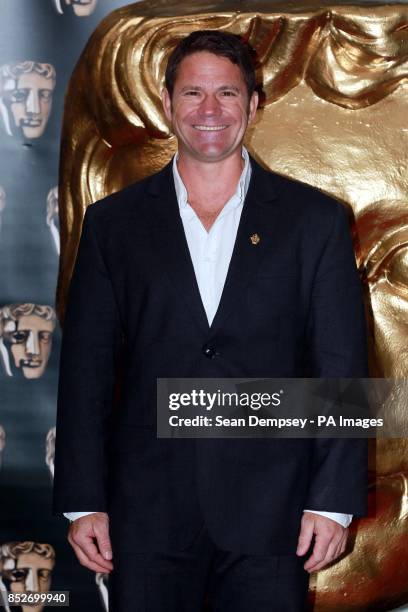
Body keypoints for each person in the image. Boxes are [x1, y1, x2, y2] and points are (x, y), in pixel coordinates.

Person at [53, 30, 368, 611]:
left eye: (227, 93)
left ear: (252, 105)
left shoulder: (315, 222)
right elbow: (86, 373)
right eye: (193, 92)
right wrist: (83, 500)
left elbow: (341, 369)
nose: (210, 110)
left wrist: (332, 501)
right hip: (143, 514)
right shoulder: (113, 225)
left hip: (275, 516)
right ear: (168, 104)